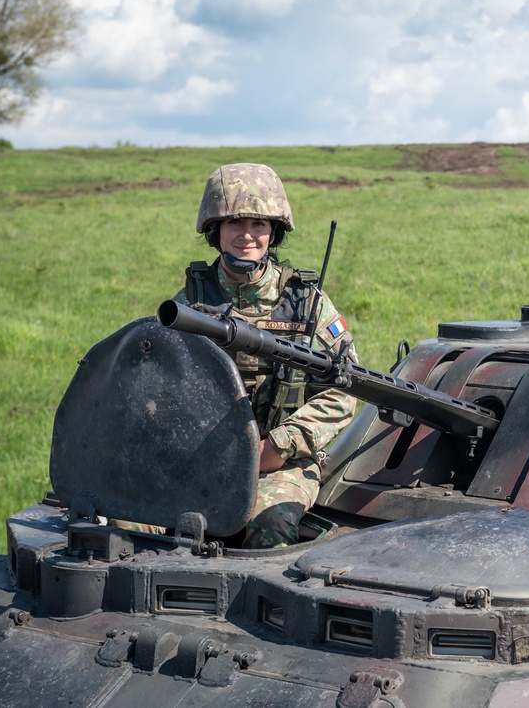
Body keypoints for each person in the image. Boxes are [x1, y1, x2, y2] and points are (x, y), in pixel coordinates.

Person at [115, 163, 357, 548]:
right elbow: (154, 384)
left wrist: (279, 446)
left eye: (259, 225)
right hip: (199, 457)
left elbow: (344, 391)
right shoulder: (190, 304)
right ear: (215, 231)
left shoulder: (307, 304)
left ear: (273, 232)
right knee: (126, 521)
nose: (247, 236)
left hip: (280, 463)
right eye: (235, 224)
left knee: (268, 527)